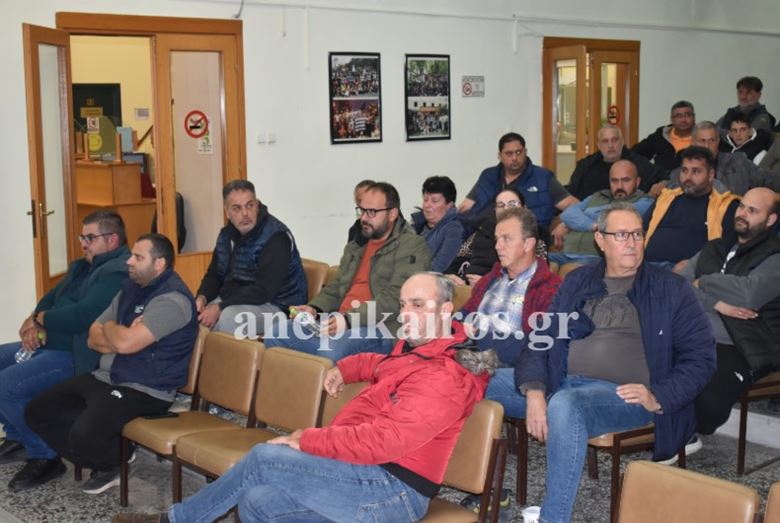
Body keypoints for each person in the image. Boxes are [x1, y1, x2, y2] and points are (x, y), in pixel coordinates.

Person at [111, 272, 497, 523]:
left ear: (446, 310)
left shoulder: (444, 376)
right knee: (257, 501)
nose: (406, 313)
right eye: (403, 304)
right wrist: (345, 368)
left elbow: (384, 442)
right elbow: (383, 365)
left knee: (265, 458)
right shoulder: (419, 350)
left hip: (392, 492)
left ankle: (174, 521)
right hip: (365, 472)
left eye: (418, 305)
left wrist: (307, 441)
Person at [516, 202, 716, 523]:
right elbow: (543, 337)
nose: (632, 242)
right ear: (600, 239)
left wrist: (658, 396)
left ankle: (553, 519)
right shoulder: (579, 281)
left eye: (637, 234)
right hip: (561, 380)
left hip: (624, 396)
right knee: (477, 379)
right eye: (622, 235)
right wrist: (536, 390)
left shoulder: (670, 288)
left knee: (565, 404)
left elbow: (702, 358)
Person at [20, 234, 198, 494]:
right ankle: (112, 453)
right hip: (107, 375)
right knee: (38, 411)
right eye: (132, 255)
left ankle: (113, 462)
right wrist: (123, 333)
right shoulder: (130, 288)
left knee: (83, 434)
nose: (129, 261)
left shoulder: (172, 300)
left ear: (159, 263)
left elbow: (123, 343)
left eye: (138, 257)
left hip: (146, 387)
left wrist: (113, 329)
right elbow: (94, 337)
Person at [0, 211, 129, 485]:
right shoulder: (82, 266)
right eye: (83, 237)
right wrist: (36, 320)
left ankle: (45, 456)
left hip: (76, 353)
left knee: (7, 385)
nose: (84, 243)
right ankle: (18, 437)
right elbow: (50, 297)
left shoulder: (117, 272)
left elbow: (83, 316)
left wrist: (42, 320)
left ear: (112, 239)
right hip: (49, 343)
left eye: (90, 238)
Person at [263, 182, 431, 360]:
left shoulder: (412, 245)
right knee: (276, 334)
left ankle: (321, 359)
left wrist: (349, 320)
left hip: (380, 328)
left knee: (330, 350)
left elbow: (396, 297)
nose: (364, 218)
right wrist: (314, 309)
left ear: (392, 214)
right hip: (339, 321)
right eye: (362, 210)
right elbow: (336, 286)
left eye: (371, 212)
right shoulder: (356, 245)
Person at [677, 188, 780, 435]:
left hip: (741, 343)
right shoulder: (714, 247)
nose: (742, 213)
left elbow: (748, 294)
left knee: (707, 404)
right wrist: (715, 303)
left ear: (771, 220)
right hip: (692, 333)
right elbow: (677, 287)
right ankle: (676, 433)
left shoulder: (775, 256)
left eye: (752, 210)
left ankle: (684, 434)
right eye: (741, 206)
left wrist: (703, 281)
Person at [458, 207, 561, 420]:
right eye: (497, 239)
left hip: (517, 372)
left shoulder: (550, 289)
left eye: (506, 239)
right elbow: (462, 315)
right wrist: (457, 327)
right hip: (472, 358)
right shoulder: (491, 279)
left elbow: (537, 347)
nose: (498, 246)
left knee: (449, 380)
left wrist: (476, 339)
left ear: (528, 244)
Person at [195, 180, 307, 336]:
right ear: (227, 212)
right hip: (238, 300)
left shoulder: (277, 237)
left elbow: (263, 291)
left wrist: (220, 307)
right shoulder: (226, 235)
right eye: (237, 208)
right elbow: (215, 274)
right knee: (195, 315)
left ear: (257, 205)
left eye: (249, 205)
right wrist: (202, 298)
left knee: (229, 318)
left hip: (280, 307)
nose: (245, 213)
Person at [457, 132, 577, 239]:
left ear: (525, 152)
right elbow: (465, 207)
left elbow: (575, 205)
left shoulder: (543, 178)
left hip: (528, 240)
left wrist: (565, 224)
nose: (514, 158)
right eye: (509, 154)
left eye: (519, 152)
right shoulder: (488, 176)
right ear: (500, 155)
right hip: (487, 238)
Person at [644, 146, 740, 266]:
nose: (688, 177)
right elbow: (641, 230)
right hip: (646, 266)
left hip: (689, 272)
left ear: (711, 174)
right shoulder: (666, 198)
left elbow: (729, 251)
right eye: (684, 170)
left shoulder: (726, 206)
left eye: (696, 171)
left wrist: (691, 267)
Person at [551, 160, 654, 265]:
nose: (619, 186)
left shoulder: (645, 201)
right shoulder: (597, 196)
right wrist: (592, 225)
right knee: (542, 263)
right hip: (564, 254)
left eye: (626, 180)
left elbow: (617, 216)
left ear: (637, 182)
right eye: (614, 181)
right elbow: (568, 213)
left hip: (595, 258)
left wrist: (575, 220)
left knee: (571, 270)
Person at [446, 188, 547, 285]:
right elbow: (459, 259)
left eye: (512, 204)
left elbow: (535, 279)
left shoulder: (533, 240)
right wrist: (453, 277)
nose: (506, 209)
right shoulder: (481, 231)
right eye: (500, 205)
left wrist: (490, 285)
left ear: (524, 208)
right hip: (465, 287)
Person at [664, 121, 780, 196]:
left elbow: (768, 179)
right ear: (693, 143)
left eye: (712, 141)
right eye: (702, 141)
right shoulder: (681, 174)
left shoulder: (738, 162)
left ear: (718, 142)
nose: (707, 146)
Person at [566, 125, 667, 200]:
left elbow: (669, 177)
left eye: (614, 140)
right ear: (599, 145)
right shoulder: (586, 165)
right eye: (605, 141)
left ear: (622, 142)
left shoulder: (638, 163)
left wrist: (663, 184)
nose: (610, 145)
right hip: (587, 213)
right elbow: (571, 191)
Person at [410, 176, 464, 272]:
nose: (427, 205)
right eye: (425, 200)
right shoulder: (415, 226)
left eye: (434, 201)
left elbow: (438, 267)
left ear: (449, 205)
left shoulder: (454, 229)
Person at [632, 100, 695, 171]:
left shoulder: (701, 139)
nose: (683, 120)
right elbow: (635, 153)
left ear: (694, 117)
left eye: (687, 115)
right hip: (660, 177)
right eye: (678, 116)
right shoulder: (660, 135)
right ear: (672, 119)